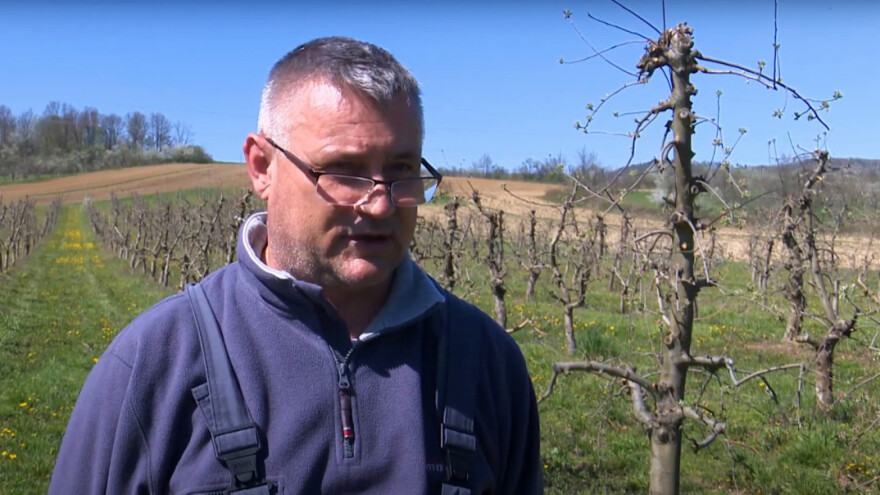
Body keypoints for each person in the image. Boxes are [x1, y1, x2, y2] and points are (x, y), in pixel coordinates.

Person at [49, 36, 542, 494]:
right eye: (344, 171)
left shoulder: (487, 362)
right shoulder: (154, 363)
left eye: (402, 171)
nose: (381, 205)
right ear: (262, 167)